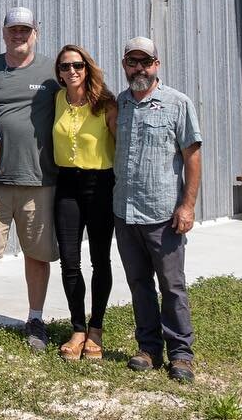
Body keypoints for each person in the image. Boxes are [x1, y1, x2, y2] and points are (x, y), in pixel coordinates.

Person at [0, 6, 59, 352]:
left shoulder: (53, 70)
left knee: (37, 254)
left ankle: (35, 318)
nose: (19, 35)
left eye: (25, 30)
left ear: (36, 31)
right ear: (3, 32)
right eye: (13, 30)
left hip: (40, 182)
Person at [112, 36, 203, 384]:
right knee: (138, 283)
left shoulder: (178, 104)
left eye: (145, 62)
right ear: (125, 65)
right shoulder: (120, 103)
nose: (139, 68)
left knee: (172, 285)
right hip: (125, 211)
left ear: (156, 65)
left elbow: (192, 157)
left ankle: (181, 353)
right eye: (132, 62)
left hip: (163, 213)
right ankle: (148, 348)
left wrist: (188, 205)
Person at [49, 43, 118, 361]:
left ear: (87, 68)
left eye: (77, 66)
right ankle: (78, 328)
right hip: (66, 185)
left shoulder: (105, 103)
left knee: (100, 260)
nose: (71, 71)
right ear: (59, 73)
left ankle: (96, 330)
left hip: (100, 185)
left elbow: (122, 144)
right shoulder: (57, 99)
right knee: (70, 260)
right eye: (65, 67)